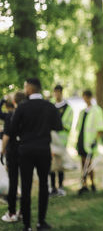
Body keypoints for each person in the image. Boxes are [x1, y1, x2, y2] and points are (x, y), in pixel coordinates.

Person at [9, 78, 63, 231]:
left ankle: (27, 225)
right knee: (44, 186)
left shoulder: (22, 107)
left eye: (25, 87)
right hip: (43, 150)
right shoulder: (49, 106)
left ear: (29, 89)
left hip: (25, 150)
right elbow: (58, 126)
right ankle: (41, 222)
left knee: (25, 188)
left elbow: (13, 130)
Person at [1, 92, 26, 223]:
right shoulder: (27, 116)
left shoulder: (11, 116)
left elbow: (6, 136)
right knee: (24, 183)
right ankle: (22, 212)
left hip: (12, 153)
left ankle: (11, 213)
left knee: (13, 184)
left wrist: (2, 151)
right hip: (25, 152)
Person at [76, 89, 103, 195]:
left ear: (90, 97)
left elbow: (101, 127)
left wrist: (95, 140)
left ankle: (92, 183)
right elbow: (79, 127)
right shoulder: (82, 112)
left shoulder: (97, 110)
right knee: (82, 162)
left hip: (90, 142)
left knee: (89, 163)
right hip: (82, 140)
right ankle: (84, 184)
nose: (85, 99)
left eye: (86, 97)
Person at [49, 85, 73, 197]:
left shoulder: (68, 108)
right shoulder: (51, 106)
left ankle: (61, 186)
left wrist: (58, 125)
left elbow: (68, 125)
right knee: (52, 164)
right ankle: (53, 187)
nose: (56, 94)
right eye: (55, 92)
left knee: (60, 165)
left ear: (61, 93)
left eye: (58, 92)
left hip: (61, 141)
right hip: (51, 140)